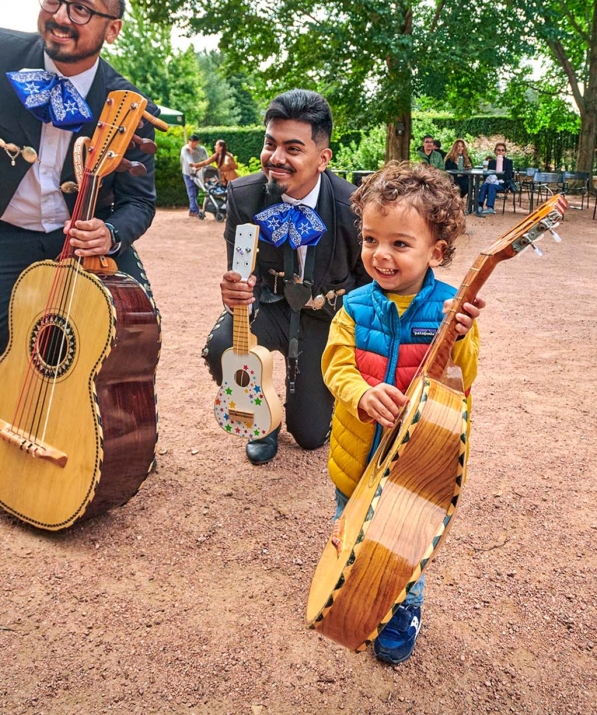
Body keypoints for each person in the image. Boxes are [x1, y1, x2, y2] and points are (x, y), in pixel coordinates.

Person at [0, 0, 159, 467]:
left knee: (132, 333)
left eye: (80, 8)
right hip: (2, 227)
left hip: (81, 238)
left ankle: (108, 438)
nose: (60, 16)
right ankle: (0, 414)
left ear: (111, 28)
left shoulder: (130, 102)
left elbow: (141, 201)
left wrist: (111, 234)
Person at [322, 160, 483, 664]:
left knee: (403, 546)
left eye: (399, 243)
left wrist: (460, 336)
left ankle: (403, 606)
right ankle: (349, 594)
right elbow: (335, 367)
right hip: (357, 452)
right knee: (352, 530)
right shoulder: (354, 305)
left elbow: (464, 376)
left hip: (415, 461)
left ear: (436, 251)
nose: (380, 255)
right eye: (371, 240)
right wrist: (360, 395)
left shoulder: (449, 307)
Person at [202, 89, 371, 465]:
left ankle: (308, 404)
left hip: (326, 317)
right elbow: (242, 271)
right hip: (272, 308)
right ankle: (263, 422)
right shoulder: (244, 196)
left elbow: (368, 283)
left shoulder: (355, 207)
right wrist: (235, 291)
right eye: (269, 144)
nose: (275, 159)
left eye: (292, 149)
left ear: (323, 158)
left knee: (310, 436)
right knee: (221, 346)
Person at [475, 141, 515, 216]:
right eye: (498, 150)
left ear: (505, 152)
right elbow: (486, 175)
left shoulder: (508, 162)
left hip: (502, 183)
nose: (500, 152)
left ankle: (490, 207)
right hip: (490, 182)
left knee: (491, 186)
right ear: (495, 151)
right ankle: (479, 205)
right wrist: (490, 178)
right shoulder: (491, 162)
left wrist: (497, 177)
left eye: (503, 150)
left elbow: (508, 175)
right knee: (484, 185)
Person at [181, 134, 209, 216]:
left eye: (194, 142)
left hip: (198, 173)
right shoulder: (185, 149)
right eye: (190, 141)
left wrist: (203, 168)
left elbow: (207, 160)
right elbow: (189, 162)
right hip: (187, 173)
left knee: (196, 192)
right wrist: (196, 167)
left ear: (198, 142)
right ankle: (194, 211)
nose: (192, 143)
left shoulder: (202, 149)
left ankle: (191, 210)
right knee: (191, 192)